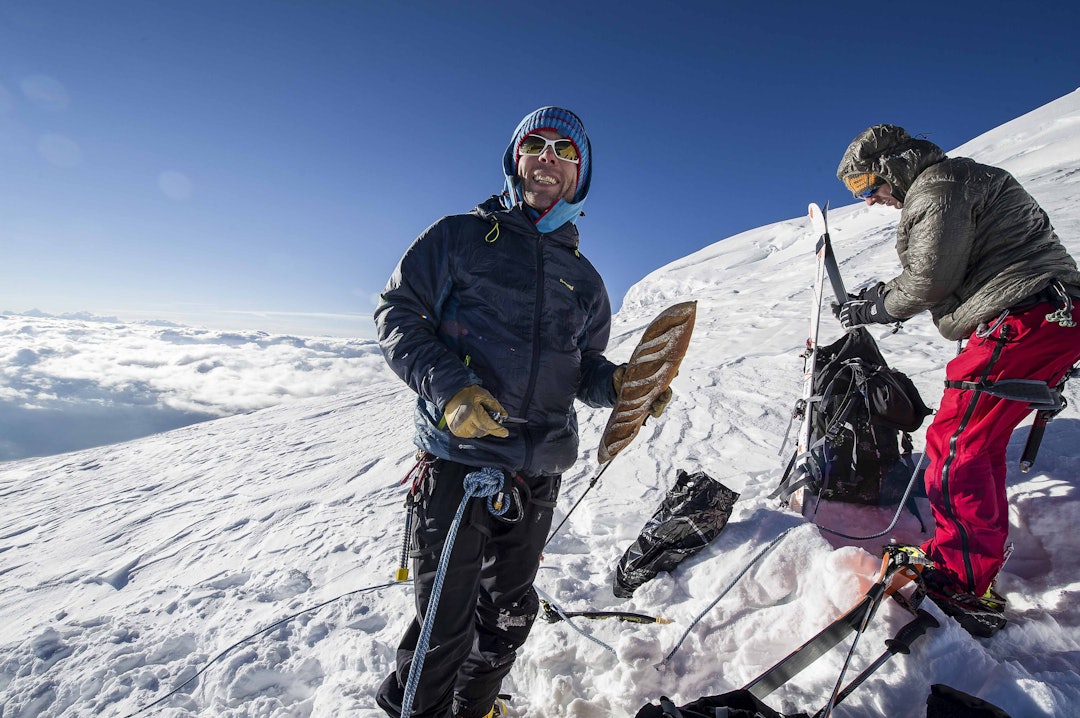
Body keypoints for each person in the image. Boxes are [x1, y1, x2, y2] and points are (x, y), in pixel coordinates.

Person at [373, 107, 669, 717]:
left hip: (538, 473)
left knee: (508, 615)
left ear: (580, 174)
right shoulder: (459, 237)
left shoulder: (585, 281)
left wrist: (621, 386)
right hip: (459, 463)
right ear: (515, 158)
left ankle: (474, 708)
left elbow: (582, 367)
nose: (548, 158)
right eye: (535, 144)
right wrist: (450, 389)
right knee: (443, 629)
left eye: (565, 150)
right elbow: (398, 312)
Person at [834, 124, 1080, 636]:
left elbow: (929, 279)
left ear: (892, 167)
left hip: (1022, 318)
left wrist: (875, 305)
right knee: (979, 443)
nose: (869, 200)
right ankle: (970, 563)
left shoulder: (938, 187)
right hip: (1048, 315)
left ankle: (959, 580)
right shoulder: (963, 180)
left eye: (868, 185)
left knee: (954, 445)